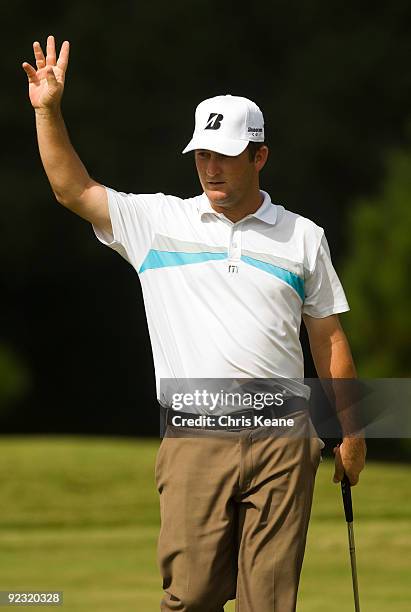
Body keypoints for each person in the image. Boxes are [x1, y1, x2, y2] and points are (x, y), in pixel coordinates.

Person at [23, 36, 366, 612]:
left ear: (259, 156)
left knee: (271, 603)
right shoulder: (159, 222)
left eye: (225, 155)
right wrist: (48, 111)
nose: (210, 168)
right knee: (193, 597)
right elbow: (71, 188)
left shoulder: (303, 236)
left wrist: (354, 431)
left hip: (285, 435)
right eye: (202, 155)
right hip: (195, 433)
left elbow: (328, 337)